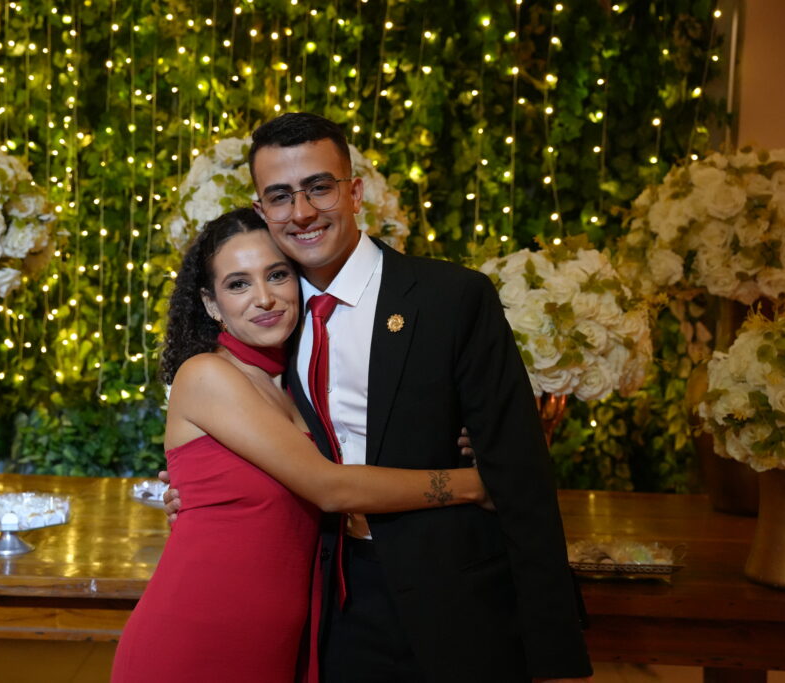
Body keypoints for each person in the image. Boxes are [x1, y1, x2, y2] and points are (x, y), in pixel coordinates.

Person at [165, 113, 592, 682]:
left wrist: (553, 649)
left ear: (355, 192)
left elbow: (521, 475)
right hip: (332, 604)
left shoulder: (451, 298)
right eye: (281, 196)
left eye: (319, 187)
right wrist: (194, 493)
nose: (302, 212)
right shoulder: (275, 320)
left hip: (455, 602)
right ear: (262, 209)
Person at [111, 208, 493, 683]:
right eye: (238, 284)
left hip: (276, 643)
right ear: (211, 304)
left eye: (277, 275)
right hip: (196, 637)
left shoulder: (296, 384)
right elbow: (330, 487)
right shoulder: (206, 374)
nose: (264, 298)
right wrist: (475, 485)